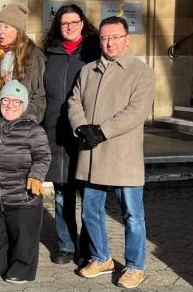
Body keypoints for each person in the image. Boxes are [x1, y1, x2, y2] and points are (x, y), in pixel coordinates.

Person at [68, 16, 155, 289]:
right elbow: (74, 101)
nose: (109, 43)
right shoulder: (88, 70)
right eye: (105, 38)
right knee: (90, 211)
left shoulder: (142, 72)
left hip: (122, 155)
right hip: (91, 154)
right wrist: (82, 127)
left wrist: (102, 131)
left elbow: (137, 111)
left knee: (132, 215)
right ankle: (101, 257)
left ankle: (135, 266)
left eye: (115, 37)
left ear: (127, 39)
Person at [0, 80, 51, 284]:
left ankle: (21, 269)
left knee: (23, 239)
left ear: (23, 105)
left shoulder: (34, 130)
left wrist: (36, 176)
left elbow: (43, 157)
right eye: (6, 100)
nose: (10, 105)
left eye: (16, 101)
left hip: (23, 198)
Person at [40, 4, 100, 265]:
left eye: (74, 22)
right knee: (62, 193)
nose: (70, 27)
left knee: (88, 193)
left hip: (85, 131)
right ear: (58, 25)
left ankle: (88, 248)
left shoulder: (93, 52)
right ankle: (65, 245)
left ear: (82, 23)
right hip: (55, 131)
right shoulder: (48, 53)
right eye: (65, 23)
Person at [0, 2, 45, 127]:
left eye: (6, 27)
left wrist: (25, 121)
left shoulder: (34, 57)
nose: (0, 31)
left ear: (18, 31)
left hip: (20, 129)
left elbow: (39, 97)